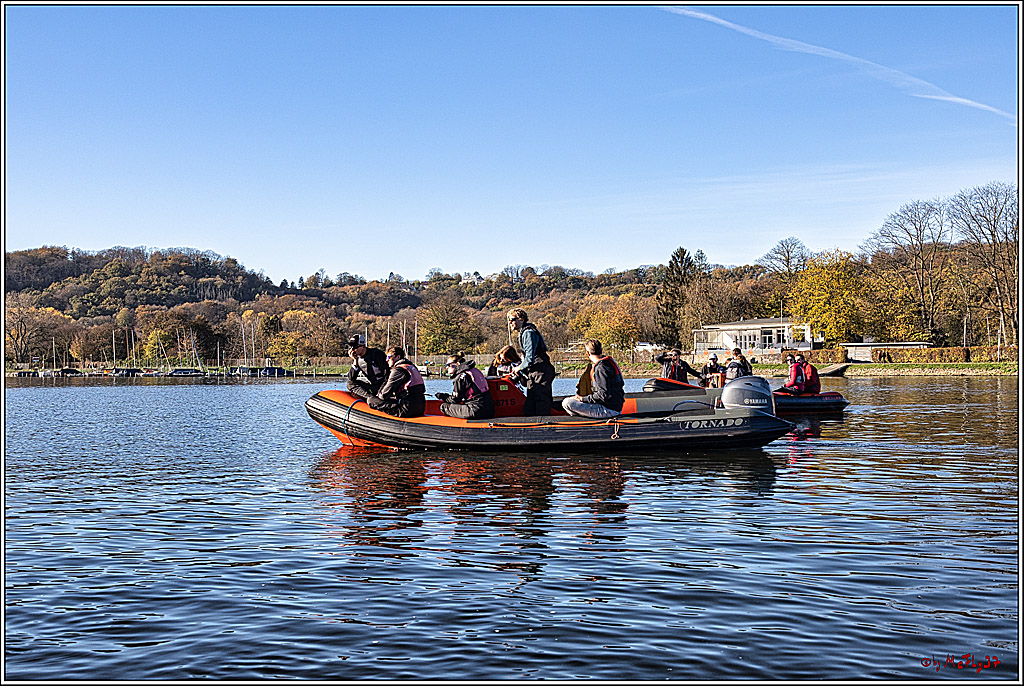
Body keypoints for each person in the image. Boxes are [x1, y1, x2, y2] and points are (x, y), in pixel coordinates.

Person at [507, 308, 557, 416]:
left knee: (541, 403)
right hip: (534, 372)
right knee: (530, 404)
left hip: (541, 371)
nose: (510, 322)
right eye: (508, 320)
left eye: (512, 319)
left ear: (521, 319)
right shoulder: (524, 332)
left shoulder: (528, 333)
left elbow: (530, 359)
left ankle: (544, 427)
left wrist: (519, 368)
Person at [562, 339, 625, 418]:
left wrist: (582, 399)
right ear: (601, 350)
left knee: (567, 403)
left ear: (588, 353)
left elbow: (603, 395)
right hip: (613, 407)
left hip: (609, 410)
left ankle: (581, 421)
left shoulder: (601, 368)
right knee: (572, 400)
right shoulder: (607, 363)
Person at [366, 346, 426, 418]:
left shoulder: (398, 371)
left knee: (371, 400)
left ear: (398, 357)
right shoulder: (411, 367)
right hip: (420, 407)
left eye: (389, 357)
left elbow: (384, 395)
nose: (386, 360)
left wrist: (376, 397)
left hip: (406, 410)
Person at [436, 351, 495, 419]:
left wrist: (443, 396)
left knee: (444, 407)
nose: (446, 368)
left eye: (448, 365)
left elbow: (455, 400)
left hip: (475, 410)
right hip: (490, 409)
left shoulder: (460, 377)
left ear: (456, 364)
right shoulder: (474, 370)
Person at [346, 334, 389, 400]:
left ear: (363, 346)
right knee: (350, 383)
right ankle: (371, 398)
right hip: (373, 386)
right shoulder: (357, 360)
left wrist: (382, 392)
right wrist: (355, 360)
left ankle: (377, 399)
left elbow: (387, 374)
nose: (352, 350)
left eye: (355, 347)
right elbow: (351, 379)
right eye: (350, 347)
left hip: (384, 386)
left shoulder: (376, 354)